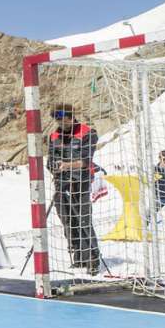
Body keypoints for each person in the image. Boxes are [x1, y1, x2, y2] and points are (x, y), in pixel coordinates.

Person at [46, 104, 101, 275]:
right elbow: (50, 161)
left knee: (83, 218)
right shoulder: (54, 135)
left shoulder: (87, 133)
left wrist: (67, 166)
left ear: (71, 117)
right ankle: (78, 256)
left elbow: (86, 160)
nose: (61, 123)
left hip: (80, 182)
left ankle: (93, 257)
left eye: (64, 119)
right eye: (58, 120)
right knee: (68, 221)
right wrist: (55, 167)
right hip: (61, 183)